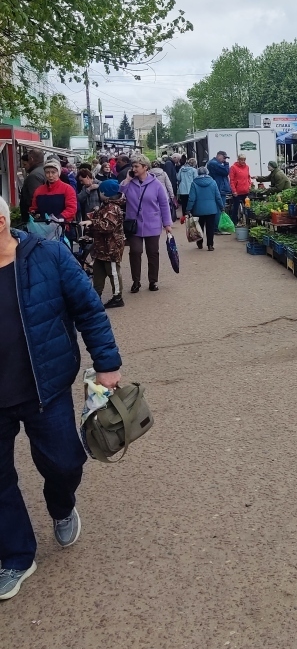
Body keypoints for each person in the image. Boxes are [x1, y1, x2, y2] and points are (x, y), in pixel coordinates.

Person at [0, 195, 122, 600]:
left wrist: (106, 363)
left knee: (65, 462)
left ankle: (60, 504)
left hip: (43, 387)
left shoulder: (48, 256)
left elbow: (89, 310)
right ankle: (17, 555)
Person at [122, 153, 173, 293]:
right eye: (133, 166)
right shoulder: (130, 182)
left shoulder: (156, 184)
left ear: (145, 167)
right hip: (134, 224)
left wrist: (167, 224)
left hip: (153, 223)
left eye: (136, 166)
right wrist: (127, 179)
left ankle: (153, 281)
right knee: (135, 252)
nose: (134, 168)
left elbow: (164, 204)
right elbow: (119, 191)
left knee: (153, 253)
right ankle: (136, 281)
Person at [89, 179, 126, 308]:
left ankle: (117, 297)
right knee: (98, 270)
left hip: (111, 247)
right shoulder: (106, 205)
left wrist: (92, 222)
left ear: (105, 193)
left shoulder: (112, 208)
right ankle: (95, 295)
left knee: (113, 272)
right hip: (102, 246)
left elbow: (108, 226)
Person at [187, 166, 224, 251]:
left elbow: (191, 198)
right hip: (211, 209)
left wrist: (188, 209)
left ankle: (200, 243)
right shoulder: (213, 182)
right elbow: (218, 196)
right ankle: (210, 245)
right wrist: (221, 207)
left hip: (198, 210)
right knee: (210, 228)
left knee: (199, 227)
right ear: (207, 172)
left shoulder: (194, 183)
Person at [30, 157, 78, 222]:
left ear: (59, 173)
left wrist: (59, 218)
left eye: (53, 172)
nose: (50, 175)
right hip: (42, 227)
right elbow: (34, 208)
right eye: (47, 172)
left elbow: (71, 208)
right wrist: (34, 213)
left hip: (62, 226)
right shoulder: (38, 190)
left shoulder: (68, 189)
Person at [19, 148, 46, 222]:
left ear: (31, 159)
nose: (24, 166)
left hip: (34, 220)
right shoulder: (44, 171)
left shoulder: (34, 175)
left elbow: (34, 198)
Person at [228, 153, 252, 222]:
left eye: (244, 160)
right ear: (238, 160)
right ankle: (234, 222)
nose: (243, 161)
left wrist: (249, 184)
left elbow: (248, 177)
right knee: (235, 207)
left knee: (248, 207)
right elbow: (231, 180)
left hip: (245, 191)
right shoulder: (233, 167)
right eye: (241, 160)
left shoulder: (247, 167)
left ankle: (248, 221)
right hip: (237, 192)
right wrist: (234, 190)